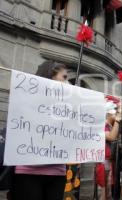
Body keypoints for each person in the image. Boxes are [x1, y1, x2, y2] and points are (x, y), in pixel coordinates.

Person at [12, 60, 68, 200]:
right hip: (29, 171)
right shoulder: (26, 99)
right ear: (51, 76)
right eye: (64, 77)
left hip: (57, 172)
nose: (67, 83)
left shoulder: (68, 104)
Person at [96, 99, 121, 200]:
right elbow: (111, 137)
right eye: (115, 112)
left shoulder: (111, 126)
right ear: (109, 114)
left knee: (108, 192)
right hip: (102, 163)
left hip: (110, 163)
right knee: (102, 192)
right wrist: (118, 119)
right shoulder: (102, 125)